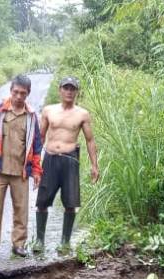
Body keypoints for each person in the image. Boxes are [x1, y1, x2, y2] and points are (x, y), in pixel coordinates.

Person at [0, 74, 44, 260]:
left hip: (20, 173)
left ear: (28, 94)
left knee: (21, 210)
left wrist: (36, 170)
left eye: (23, 93)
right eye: (15, 92)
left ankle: (18, 244)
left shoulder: (31, 117)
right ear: (10, 91)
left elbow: (37, 145)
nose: (19, 96)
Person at [33, 76, 99, 253]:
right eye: (66, 88)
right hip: (50, 158)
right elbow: (40, 137)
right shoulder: (49, 110)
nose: (69, 91)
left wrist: (95, 166)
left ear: (76, 92)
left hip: (70, 159)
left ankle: (65, 242)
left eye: (73, 88)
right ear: (60, 90)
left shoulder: (82, 114)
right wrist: (35, 162)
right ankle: (39, 240)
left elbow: (90, 140)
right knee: (42, 201)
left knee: (70, 202)